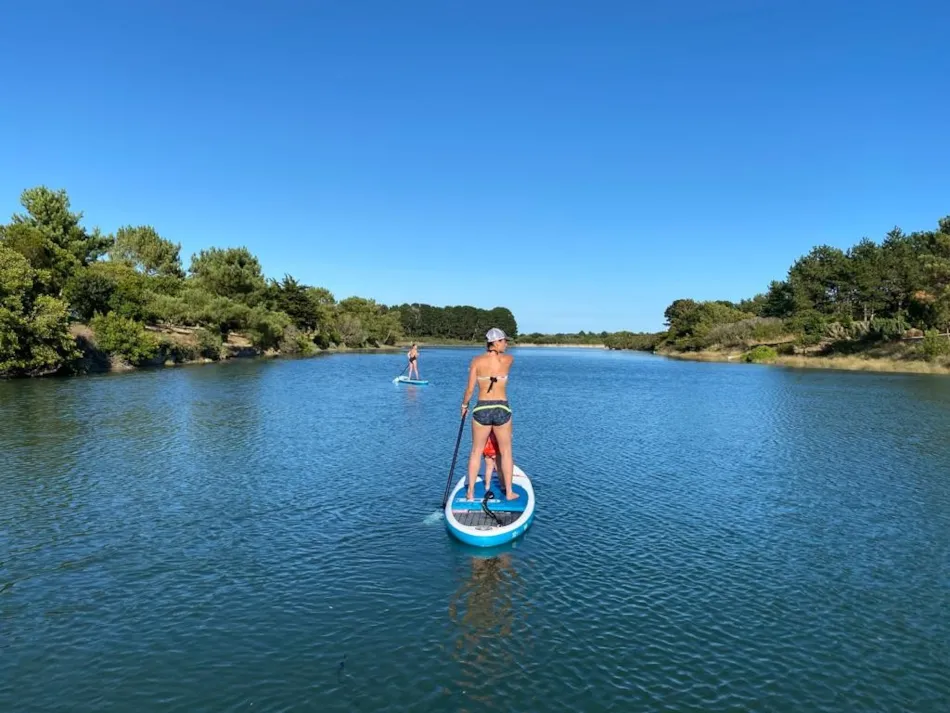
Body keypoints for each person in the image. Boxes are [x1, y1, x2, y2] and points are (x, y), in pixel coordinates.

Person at [461, 327, 515, 501]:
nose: (506, 344)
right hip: (502, 408)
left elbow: (470, 389)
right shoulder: (508, 360)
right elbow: (500, 364)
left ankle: (470, 493)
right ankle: (509, 492)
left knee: (476, 451)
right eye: (504, 341)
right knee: (506, 451)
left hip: (481, 408)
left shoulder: (476, 361)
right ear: (495, 342)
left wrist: (464, 405)